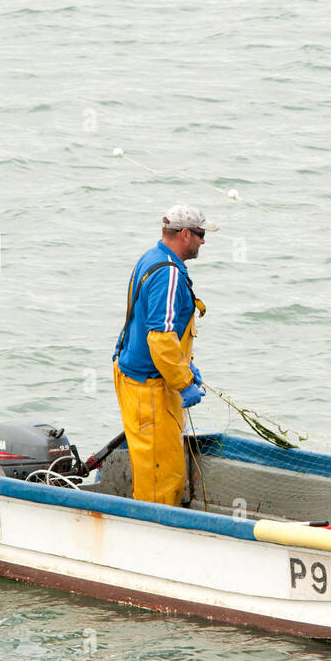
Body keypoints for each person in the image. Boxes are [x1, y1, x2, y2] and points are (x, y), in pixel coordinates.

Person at [112, 205, 218, 504]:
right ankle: (151, 537)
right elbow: (160, 339)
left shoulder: (152, 257)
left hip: (136, 378)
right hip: (149, 390)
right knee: (162, 476)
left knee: (152, 467)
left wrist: (187, 367)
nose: (203, 241)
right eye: (200, 234)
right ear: (184, 234)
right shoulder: (168, 275)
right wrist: (184, 382)